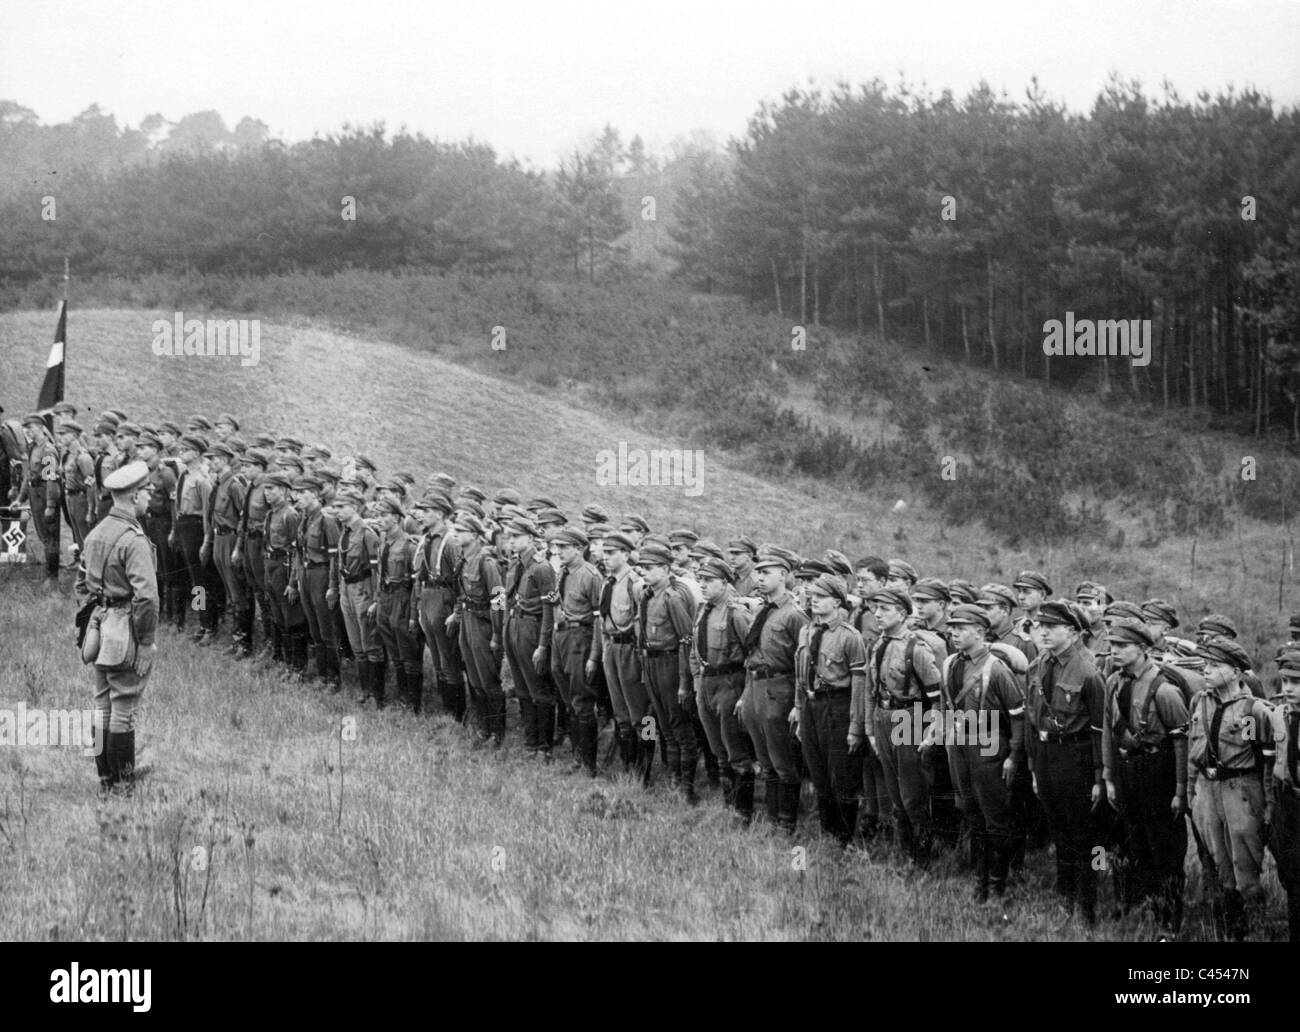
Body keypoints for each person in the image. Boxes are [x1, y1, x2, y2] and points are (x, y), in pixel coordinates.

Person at [1101, 617, 1190, 935]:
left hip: (1157, 773)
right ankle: (1145, 908)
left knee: (1164, 848)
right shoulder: (1113, 683)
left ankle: (1170, 924)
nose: (1114, 652)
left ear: (1141, 648)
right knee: (1133, 843)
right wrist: (1109, 777)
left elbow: (1181, 742)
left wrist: (1180, 790)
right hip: (1127, 772)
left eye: (1122, 646)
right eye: (1112, 646)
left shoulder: (1164, 690)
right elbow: (1109, 732)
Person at [73, 460, 158, 792]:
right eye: (147, 492)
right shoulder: (132, 538)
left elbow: (82, 585)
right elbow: (147, 597)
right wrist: (147, 640)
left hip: (100, 626)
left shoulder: (97, 532)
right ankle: (123, 786)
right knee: (124, 706)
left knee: (102, 704)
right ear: (135, 496)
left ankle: (107, 781)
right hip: (125, 629)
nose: (150, 497)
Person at [1024, 599, 1107, 926]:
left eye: (1051, 627)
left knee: (1086, 835)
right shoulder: (1040, 665)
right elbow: (1033, 719)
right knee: (1059, 831)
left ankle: (1088, 905)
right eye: (1039, 627)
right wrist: (1033, 765)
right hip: (1046, 756)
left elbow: (1101, 730)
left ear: (1073, 632)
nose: (1042, 632)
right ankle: (1065, 898)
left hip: (1078, 757)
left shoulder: (1088, 671)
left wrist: (1101, 777)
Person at [1187, 635, 1274, 940]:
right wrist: (1189, 791)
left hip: (1241, 789)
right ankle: (1230, 923)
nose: (1206, 671)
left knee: (1245, 858)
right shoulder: (1200, 702)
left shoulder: (1254, 710)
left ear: (1236, 672)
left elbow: (1265, 760)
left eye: (1215, 665)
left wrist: (1266, 803)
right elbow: (1192, 750)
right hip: (1208, 789)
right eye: (1205, 665)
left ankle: (1256, 923)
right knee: (1218, 857)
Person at [935, 604, 1025, 901]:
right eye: (953, 628)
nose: (955, 633)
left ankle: (998, 883)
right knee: (970, 813)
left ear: (980, 632)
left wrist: (1013, 756)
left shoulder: (996, 669)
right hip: (959, 744)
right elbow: (947, 707)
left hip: (989, 743)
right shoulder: (950, 664)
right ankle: (979, 880)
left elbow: (1017, 714)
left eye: (962, 628)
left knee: (995, 817)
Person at [862, 588, 942, 866]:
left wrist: (932, 731)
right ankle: (904, 854)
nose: (878, 613)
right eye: (876, 608)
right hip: (883, 718)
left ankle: (922, 859)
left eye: (885, 609)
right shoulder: (876, 645)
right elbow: (870, 691)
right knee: (895, 796)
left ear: (903, 613)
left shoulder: (916, 649)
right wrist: (870, 728)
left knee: (913, 797)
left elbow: (937, 697)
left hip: (909, 718)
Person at [738, 550, 809, 833]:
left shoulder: (794, 615)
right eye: (758, 573)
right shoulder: (761, 610)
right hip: (756, 687)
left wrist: (797, 703)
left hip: (779, 689)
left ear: (783, 574)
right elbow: (751, 656)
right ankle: (771, 819)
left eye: (767, 572)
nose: (760, 578)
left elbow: (803, 663)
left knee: (782, 761)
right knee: (765, 760)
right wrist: (745, 695)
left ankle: (786, 823)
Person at [795, 573, 867, 845]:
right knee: (819, 773)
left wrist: (856, 727)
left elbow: (859, 684)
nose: (814, 601)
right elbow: (800, 676)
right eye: (813, 596)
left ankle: (844, 839)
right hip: (812, 706)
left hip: (838, 706)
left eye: (821, 597)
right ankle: (827, 833)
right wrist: (801, 712)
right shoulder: (808, 630)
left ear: (837, 602)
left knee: (842, 776)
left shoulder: (850, 637)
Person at [692, 556, 755, 820]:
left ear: (725, 583)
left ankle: (743, 813)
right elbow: (693, 649)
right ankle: (727, 807)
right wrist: (696, 682)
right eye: (701, 581)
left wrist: (745, 694)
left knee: (735, 753)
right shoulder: (702, 610)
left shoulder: (736, 613)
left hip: (730, 684)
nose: (703, 586)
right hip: (707, 685)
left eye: (709, 581)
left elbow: (753, 656)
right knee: (718, 750)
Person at [637, 542, 700, 801]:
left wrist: (685, 682)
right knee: (663, 725)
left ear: (665, 569)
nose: (644, 573)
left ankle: (687, 788)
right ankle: (674, 780)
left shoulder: (672, 598)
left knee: (680, 726)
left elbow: (687, 640)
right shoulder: (647, 596)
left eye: (650, 568)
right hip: (651, 664)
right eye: (642, 568)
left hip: (671, 665)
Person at [549, 526, 603, 772]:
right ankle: (577, 757)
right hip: (561, 636)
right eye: (557, 547)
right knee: (568, 698)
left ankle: (589, 764)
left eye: (564, 547)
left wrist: (593, 655)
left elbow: (599, 619)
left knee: (582, 699)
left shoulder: (590, 576)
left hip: (580, 637)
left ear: (580, 549)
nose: (558, 551)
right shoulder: (562, 572)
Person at [502, 516, 556, 756]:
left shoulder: (541, 568)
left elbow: (548, 610)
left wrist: (543, 645)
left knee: (538, 689)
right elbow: (507, 598)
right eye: (509, 536)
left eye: (516, 536)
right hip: (513, 626)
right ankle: (530, 742)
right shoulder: (515, 565)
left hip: (532, 630)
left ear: (531, 538)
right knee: (522, 687)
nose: (511, 541)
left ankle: (544, 746)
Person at [451, 512, 507, 744]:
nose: (456, 535)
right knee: (474, 678)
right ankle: (483, 728)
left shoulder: (486, 562)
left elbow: (499, 598)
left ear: (474, 535)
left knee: (488, 679)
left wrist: (496, 632)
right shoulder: (463, 559)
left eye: (461, 531)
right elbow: (461, 592)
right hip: (467, 620)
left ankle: (497, 733)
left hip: (484, 625)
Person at [411, 492, 465, 721]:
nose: (422, 515)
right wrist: (417, 608)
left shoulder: (451, 542)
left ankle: (457, 714)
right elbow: (418, 576)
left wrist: (456, 611)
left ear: (441, 514)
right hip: (428, 598)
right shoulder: (426, 540)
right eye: (421, 511)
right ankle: (446, 709)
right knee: (437, 659)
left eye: (428, 511)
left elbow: (462, 581)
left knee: (449, 659)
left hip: (445, 600)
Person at [598, 531, 646, 777]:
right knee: (621, 714)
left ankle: (645, 771)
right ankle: (629, 768)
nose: (605, 557)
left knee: (643, 716)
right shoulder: (608, 583)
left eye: (611, 553)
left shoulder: (635, 584)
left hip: (631, 652)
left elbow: (642, 625)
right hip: (612, 651)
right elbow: (604, 620)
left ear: (626, 555)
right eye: (604, 552)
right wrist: (605, 649)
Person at [291, 474, 341, 689]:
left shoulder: (327, 520)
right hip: (306, 574)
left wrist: (332, 586)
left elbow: (334, 557)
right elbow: (298, 552)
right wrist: (296, 580)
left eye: (302, 493)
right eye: (297, 492)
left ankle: (333, 678)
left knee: (326, 628)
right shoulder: (304, 519)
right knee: (314, 629)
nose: (298, 497)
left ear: (314, 494)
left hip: (321, 575)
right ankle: (322, 675)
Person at [373, 496, 421, 709]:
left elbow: (415, 585)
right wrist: (378, 600)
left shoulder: (409, 546)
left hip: (402, 600)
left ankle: (413, 703)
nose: (379, 520)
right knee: (395, 652)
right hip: (385, 598)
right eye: (378, 515)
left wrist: (412, 613)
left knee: (407, 651)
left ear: (396, 517)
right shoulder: (384, 541)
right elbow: (380, 574)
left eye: (384, 515)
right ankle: (403, 697)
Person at [1266, 649, 1300, 941]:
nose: (1288, 689)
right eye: (1285, 682)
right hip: (1287, 802)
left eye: (1296, 683)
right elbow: (1271, 763)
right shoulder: (1278, 715)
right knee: (1290, 874)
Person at [20, 413, 62, 579]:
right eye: (26, 429)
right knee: (43, 536)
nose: (27, 432)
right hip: (36, 497)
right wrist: (20, 499)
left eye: (30, 428)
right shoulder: (33, 448)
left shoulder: (48, 450)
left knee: (50, 537)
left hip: (46, 496)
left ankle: (52, 576)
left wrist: (51, 505)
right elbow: (29, 475)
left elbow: (52, 479)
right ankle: (49, 572)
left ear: (41, 428)